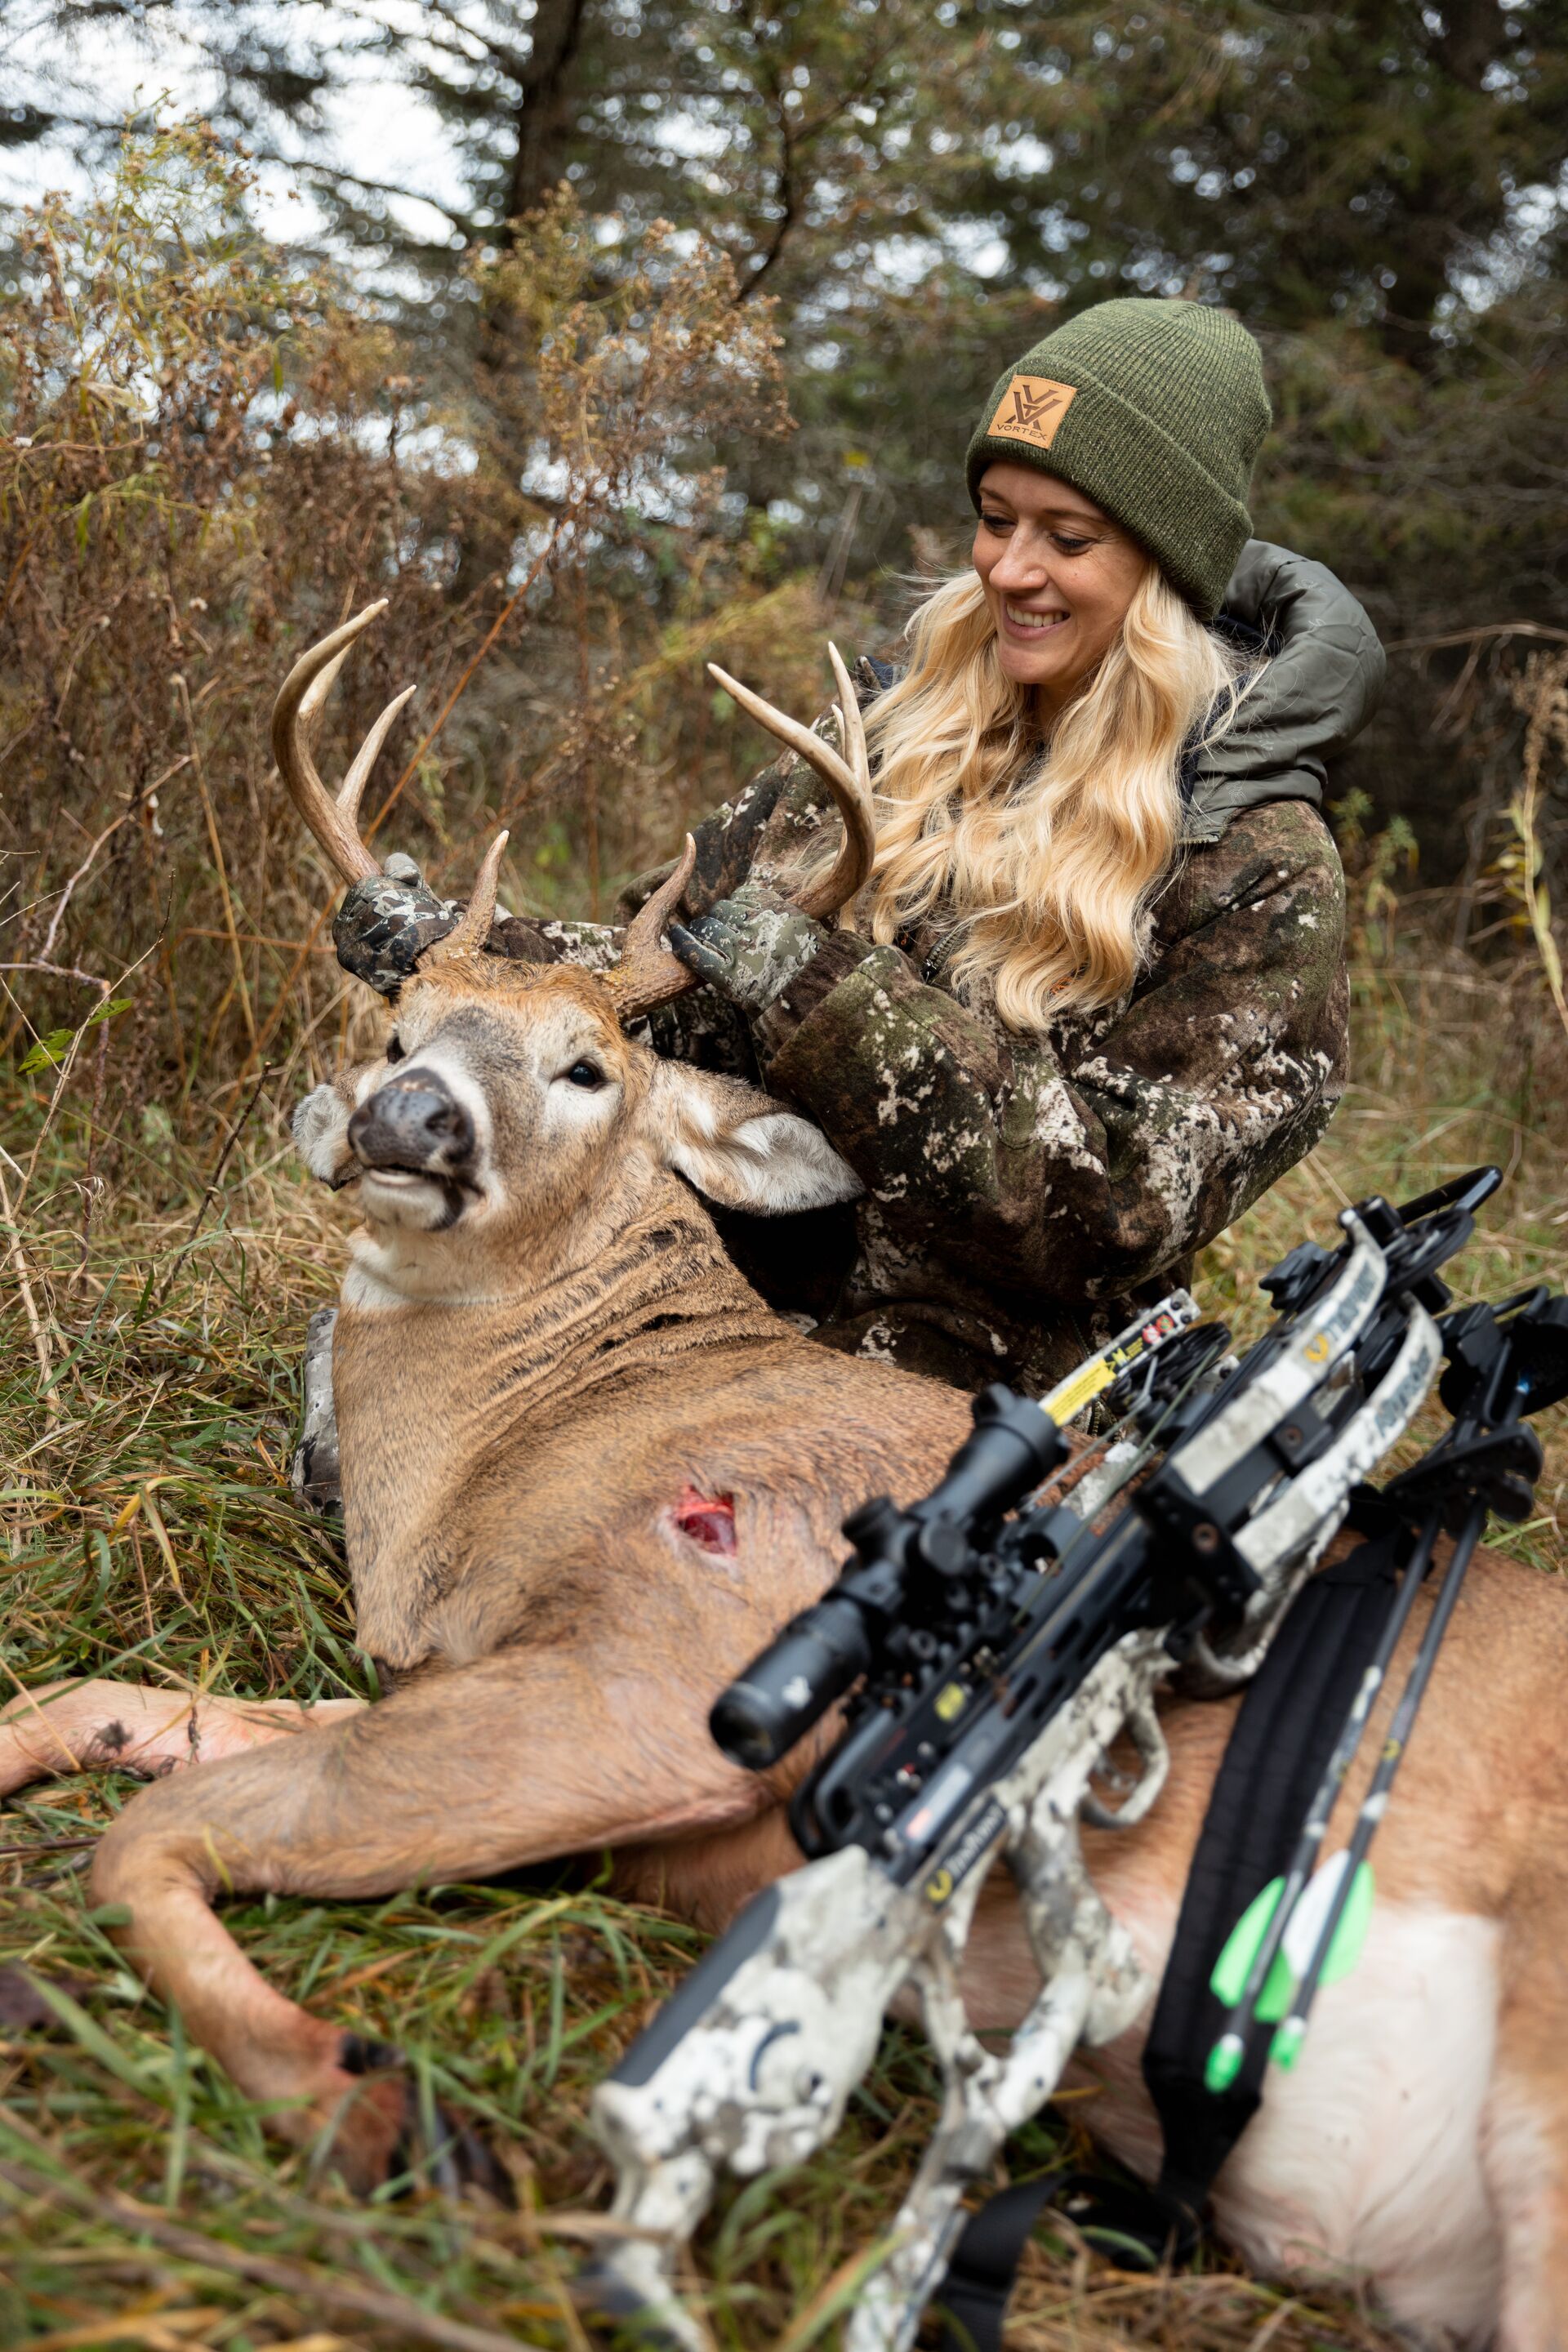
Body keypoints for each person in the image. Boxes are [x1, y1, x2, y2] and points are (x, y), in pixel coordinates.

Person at [335, 298, 1383, 1401]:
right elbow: (682, 981)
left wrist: (827, 993)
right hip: (695, 1290)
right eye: (994, 518)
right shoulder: (884, 739)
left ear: (1167, 567)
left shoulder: (1260, 867)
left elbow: (1116, 1215)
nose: (1010, 570)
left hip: (974, 1396)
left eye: (1069, 540)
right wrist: (460, 948)